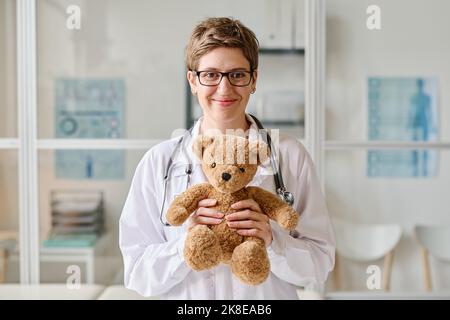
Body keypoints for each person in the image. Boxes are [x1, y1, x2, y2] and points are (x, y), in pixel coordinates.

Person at [119, 17, 335, 299]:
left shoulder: (290, 156)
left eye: (237, 74)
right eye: (210, 75)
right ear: (192, 81)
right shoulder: (159, 162)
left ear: (253, 79)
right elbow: (137, 273)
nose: (224, 88)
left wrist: (272, 240)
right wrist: (185, 244)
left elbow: (319, 265)